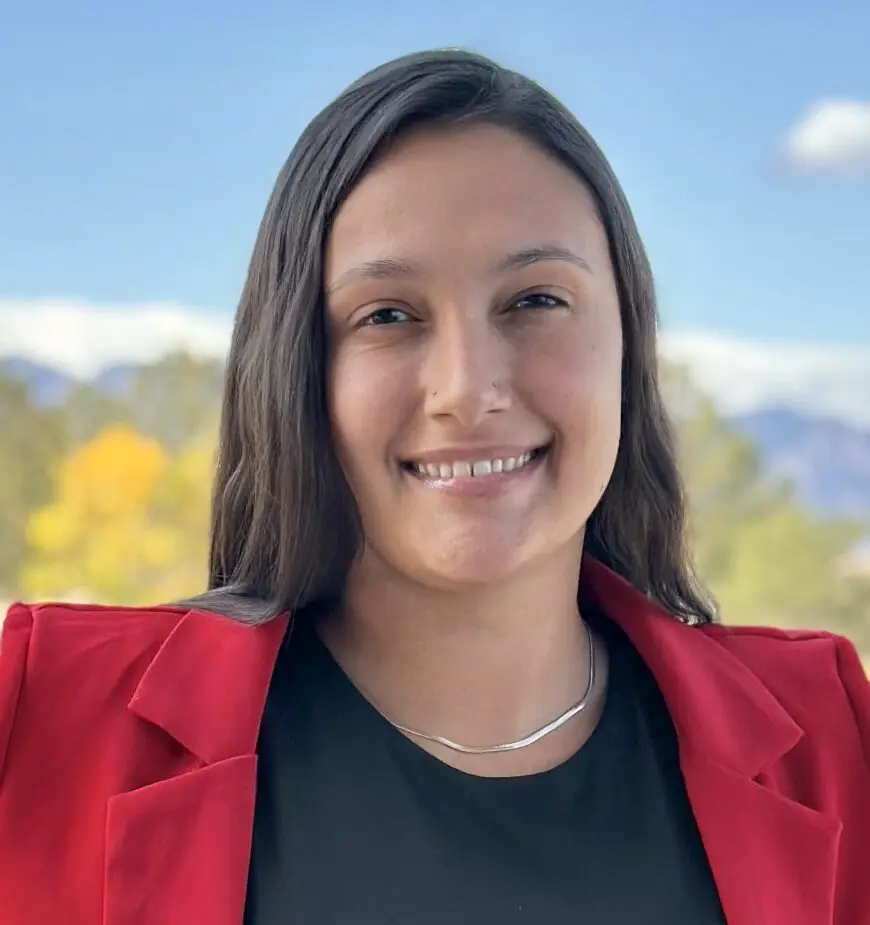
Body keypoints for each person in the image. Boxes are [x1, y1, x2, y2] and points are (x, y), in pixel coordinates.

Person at [0, 48, 867, 925]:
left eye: (534, 299)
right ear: (300, 369)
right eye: (388, 315)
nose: (467, 388)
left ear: (630, 346)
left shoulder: (833, 739)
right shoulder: (40, 722)